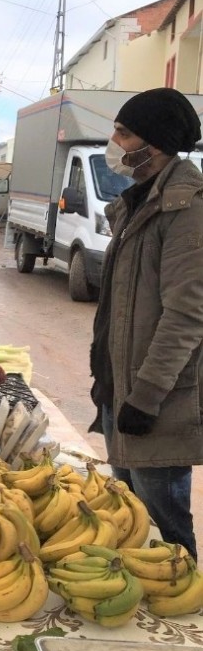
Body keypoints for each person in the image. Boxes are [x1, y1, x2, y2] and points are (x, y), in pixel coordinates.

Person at [89, 87, 203, 561]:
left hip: (156, 402)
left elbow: (186, 314)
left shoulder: (187, 211)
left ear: (152, 145)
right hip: (124, 390)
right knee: (133, 522)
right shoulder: (138, 200)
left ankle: (187, 625)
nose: (113, 140)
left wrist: (147, 396)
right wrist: (109, 380)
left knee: (166, 529)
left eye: (123, 132)